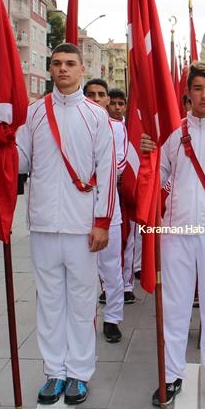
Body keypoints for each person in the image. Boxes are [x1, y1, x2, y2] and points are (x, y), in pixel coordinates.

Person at [141, 61, 205, 408]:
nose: (204, 95)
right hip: (176, 232)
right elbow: (157, 181)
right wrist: (148, 157)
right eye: (198, 88)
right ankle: (171, 376)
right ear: (188, 93)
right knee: (175, 308)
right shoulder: (172, 133)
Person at [16, 43, 115, 405]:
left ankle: (78, 372)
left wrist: (102, 221)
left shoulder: (96, 115)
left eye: (70, 64)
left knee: (82, 300)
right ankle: (54, 371)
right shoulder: (34, 113)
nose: (62, 69)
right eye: (56, 63)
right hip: (43, 223)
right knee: (49, 302)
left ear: (81, 68)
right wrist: (0, 138)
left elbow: (106, 172)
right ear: (50, 68)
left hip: (81, 225)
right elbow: (21, 161)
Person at [83, 78, 126, 344]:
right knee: (82, 269)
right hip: (78, 209)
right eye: (91, 94)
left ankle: (112, 319)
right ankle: (85, 319)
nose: (97, 99)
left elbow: (119, 164)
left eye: (101, 94)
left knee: (111, 267)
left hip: (108, 206)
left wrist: (88, 175)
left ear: (107, 100)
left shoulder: (117, 129)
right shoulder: (73, 124)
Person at [107, 88, 140, 303]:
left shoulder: (132, 127)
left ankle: (127, 285)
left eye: (121, 103)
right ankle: (107, 286)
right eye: (114, 103)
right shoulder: (100, 126)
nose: (118, 107)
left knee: (129, 240)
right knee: (108, 243)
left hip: (127, 191)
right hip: (106, 193)